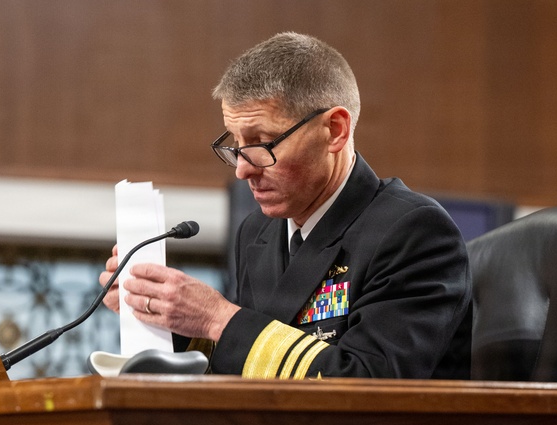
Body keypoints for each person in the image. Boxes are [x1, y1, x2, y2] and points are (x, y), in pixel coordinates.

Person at [100, 33, 472, 379]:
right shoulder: (257, 232)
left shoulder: (412, 230)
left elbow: (367, 383)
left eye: (262, 143)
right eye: (235, 146)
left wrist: (217, 317)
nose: (243, 169)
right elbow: (253, 364)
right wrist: (166, 315)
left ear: (335, 131)